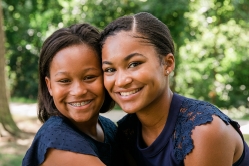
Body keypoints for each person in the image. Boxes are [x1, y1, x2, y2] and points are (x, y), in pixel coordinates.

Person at [100, 12, 249, 166]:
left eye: (134, 64)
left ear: (168, 64)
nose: (121, 81)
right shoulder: (128, 130)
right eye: (110, 69)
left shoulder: (203, 131)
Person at [22, 23, 119, 166]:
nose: (78, 91)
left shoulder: (108, 127)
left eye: (89, 77)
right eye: (64, 81)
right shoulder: (58, 142)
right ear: (49, 86)